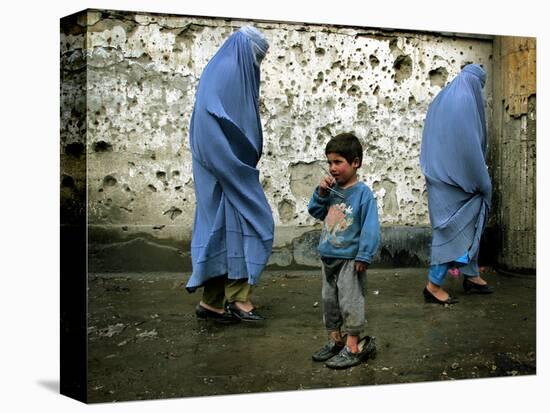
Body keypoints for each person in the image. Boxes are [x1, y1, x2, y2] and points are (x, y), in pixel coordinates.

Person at [185, 26, 274, 323]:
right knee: (256, 223)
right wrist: (233, 167)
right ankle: (238, 300)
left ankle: (211, 303)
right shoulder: (227, 70)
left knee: (221, 233)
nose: (257, 64)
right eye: (256, 57)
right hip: (224, 170)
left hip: (221, 170)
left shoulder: (222, 69)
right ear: (246, 50)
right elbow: (211, 121)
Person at [420, 64, 494, 305]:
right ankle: (433, 285)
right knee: (450, 232)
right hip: (457, 183)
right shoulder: (464, 100)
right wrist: (481, 181)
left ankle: (471, 276)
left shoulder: (442, 99)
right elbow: (468, 147)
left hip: (440, 178)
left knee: (467, 227)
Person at [307, 133, 380, 369]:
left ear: (355, 162)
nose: (332, 168)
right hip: (328, 257)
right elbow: (316, 212)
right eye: (329, 163)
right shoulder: (331, 190)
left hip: (350, 259)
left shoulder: (363, 194)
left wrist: (364, 255)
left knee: (350, 302)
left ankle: (353, 347)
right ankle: (335, 341)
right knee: (330, 302)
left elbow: (370, 227)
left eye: (338, 162)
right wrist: (321, 194)